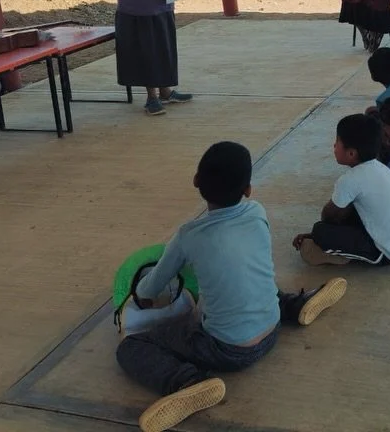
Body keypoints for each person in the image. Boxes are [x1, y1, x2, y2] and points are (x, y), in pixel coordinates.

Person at [116, 142, 347, 432]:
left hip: (226, 350)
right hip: (271, 326)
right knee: (254, 281)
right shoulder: (257, 211)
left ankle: (189, 381)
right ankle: (295, 305)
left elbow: (149, 290)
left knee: (132, 346)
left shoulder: (188, 236)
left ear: (196, 181)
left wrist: (143, 299)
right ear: (248, 189)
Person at [292, 114, 390, 266]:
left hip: (387, 252)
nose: (334, 146)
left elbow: (328, 218)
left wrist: (314, 235)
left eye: (337, 142)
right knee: (353, 209)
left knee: (321, 232)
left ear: (351, 153)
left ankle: (345, 256)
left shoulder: (350, 180)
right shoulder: (380, 168)